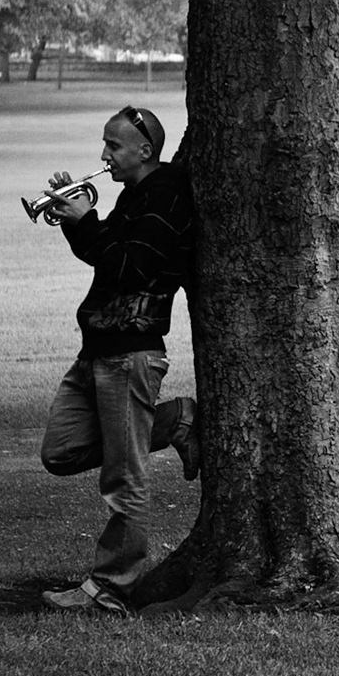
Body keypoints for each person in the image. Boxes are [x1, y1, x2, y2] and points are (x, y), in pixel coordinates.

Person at [37, 105, 199, 615]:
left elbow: (131, 267)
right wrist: (75, 221)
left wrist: (88, 220)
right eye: (105, 144)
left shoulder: (165, 197)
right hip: (98, 351)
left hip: (130, 355)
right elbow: (103, 256)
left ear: (144, 150)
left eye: (113, 145)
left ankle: (112, 585)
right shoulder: (135, 196)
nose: (104, 155)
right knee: (60, 452)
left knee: (125, 479)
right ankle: (176, 419)